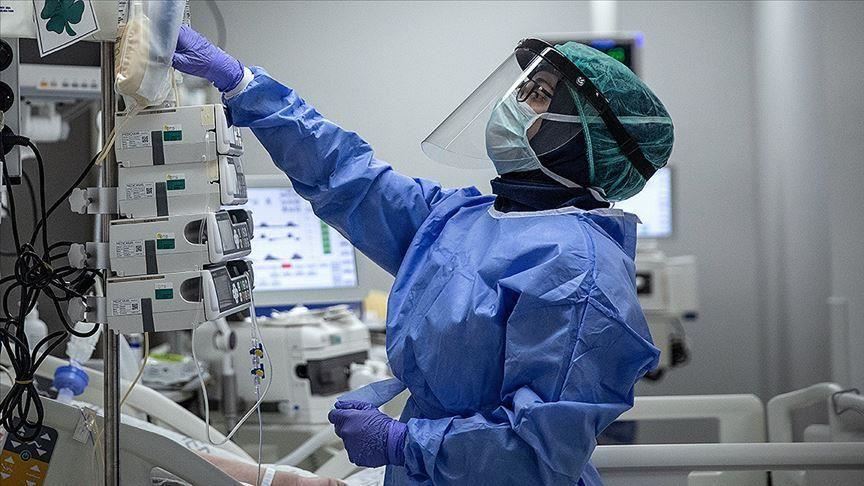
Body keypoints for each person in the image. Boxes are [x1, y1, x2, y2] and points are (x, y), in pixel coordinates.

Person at [172, 26, 673, 485]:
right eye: (521, 88)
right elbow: (350, 178)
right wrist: (244, 86)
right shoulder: (465, 218)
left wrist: (402, 442)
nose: (515, 103)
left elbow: (536, 452)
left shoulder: (578, 270)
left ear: (580, 138)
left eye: (537, 94)